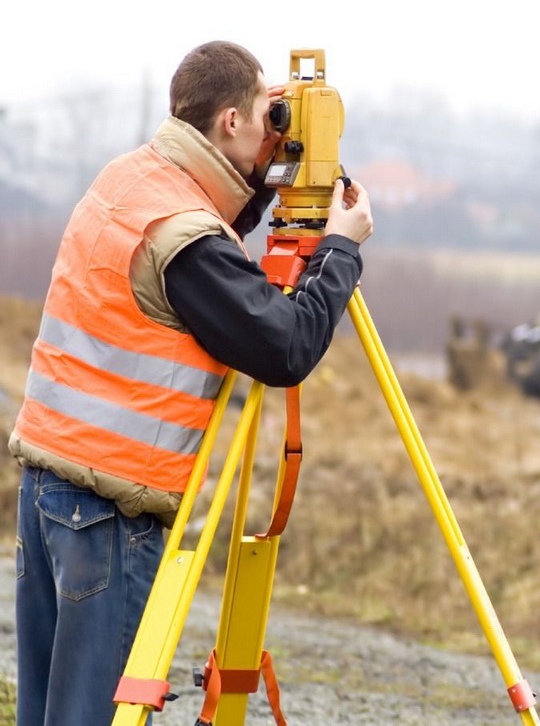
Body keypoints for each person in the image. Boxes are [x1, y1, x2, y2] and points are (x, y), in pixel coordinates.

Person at [8, 40, 373, 726]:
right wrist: (341, 251)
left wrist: (263, 179)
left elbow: (202, 249)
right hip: (109, 510)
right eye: (266, 114)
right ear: (231, 120)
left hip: (47, 490)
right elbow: (285, 345)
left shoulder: (131, 179)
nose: (275, 128)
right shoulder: (187, 236)